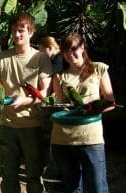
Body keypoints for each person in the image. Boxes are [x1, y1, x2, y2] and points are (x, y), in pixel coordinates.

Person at [0, 12, 53, 193]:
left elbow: (45, 93)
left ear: (31, 32)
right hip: (7, 124)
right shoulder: (2, 57)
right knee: (8, 176)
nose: (17, 35)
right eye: (14, 31)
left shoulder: (40, 58)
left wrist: (25, 101)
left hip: (31, 123)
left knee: (34, 175)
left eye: (21, 31)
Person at [51, 32, 115, 193]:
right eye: (65, 50)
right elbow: (59, 105)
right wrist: (59, 108)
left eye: (73, 49)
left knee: (98, 187)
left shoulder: (98, 68)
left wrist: (93, 108)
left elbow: (110, 102)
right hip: (63, 138)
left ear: (83, 48)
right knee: (73, 188)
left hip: (90, 137)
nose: (70, 54)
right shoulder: (59, 76)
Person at [38, 36, 65, 192]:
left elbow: (52, 74)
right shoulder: (56, 59)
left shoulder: (60, 59)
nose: (41, 55)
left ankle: (56, 173)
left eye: (42, 51)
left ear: (49, 48)